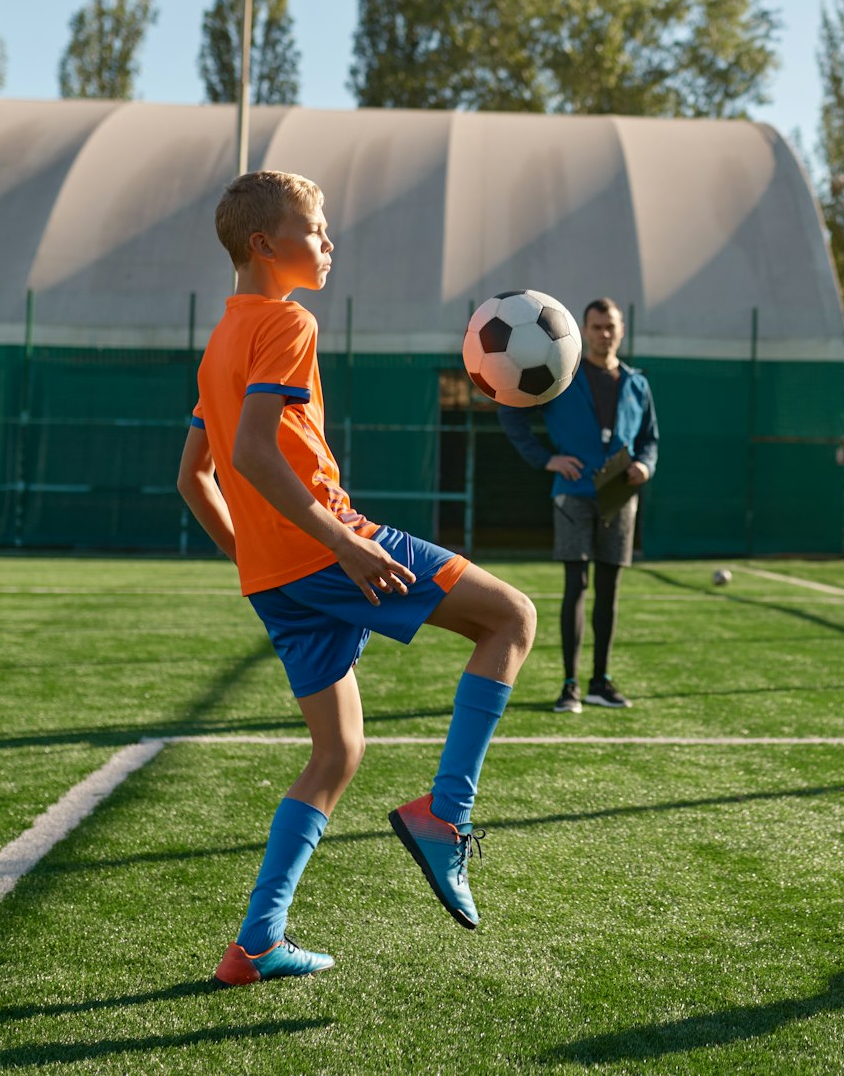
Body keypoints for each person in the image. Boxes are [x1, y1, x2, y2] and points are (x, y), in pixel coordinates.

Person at [177, 171, 536, 986]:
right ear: (265, 244)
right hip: (327, 547)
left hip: (278, 576)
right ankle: (446, 817)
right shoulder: (288, 321)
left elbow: (192, 476)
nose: (329, 241)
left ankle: (256, 943)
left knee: (337, 752)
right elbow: (252, 452)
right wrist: (341, 542)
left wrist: (251, 556)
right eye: (315, 228)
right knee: (512, 617)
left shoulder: (222, 337)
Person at [496, 297, 658, 714]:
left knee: (610, 589)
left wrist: (645, 465)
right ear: (584, 331)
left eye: (611, 326)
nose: (604, 334)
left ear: (621, 330)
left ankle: (600, 682)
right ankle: (569, 685)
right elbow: (510, 412)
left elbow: (650, 440)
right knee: (577, 586)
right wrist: (546, 459)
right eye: (597, 327)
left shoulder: (637, 383)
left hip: (619, 495)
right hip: (573, 493)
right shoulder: (562, 374)